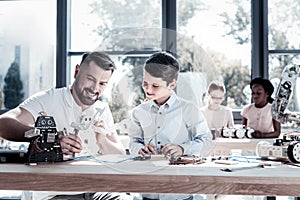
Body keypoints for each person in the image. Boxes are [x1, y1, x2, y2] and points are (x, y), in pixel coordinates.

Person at [0, 51, 132, 200]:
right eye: (90, 79)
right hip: (55, 192)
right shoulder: (48, 99)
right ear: (77, 71)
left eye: (102, 84)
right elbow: (3, 124)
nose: (95, 89)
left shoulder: (102, 110)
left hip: (96, 190)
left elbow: (120, 156)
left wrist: (102, 140)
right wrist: (50, 139)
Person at [128, 51, 212, 200]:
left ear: (172, 84)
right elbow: (134, 142)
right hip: (148, 191)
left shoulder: (188, 109)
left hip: (181, 192)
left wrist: (182, 149)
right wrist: (139, 150)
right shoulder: (138, 113)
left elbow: (206, 141)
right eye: (145, 83)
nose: (148, 89)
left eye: (155, 85)